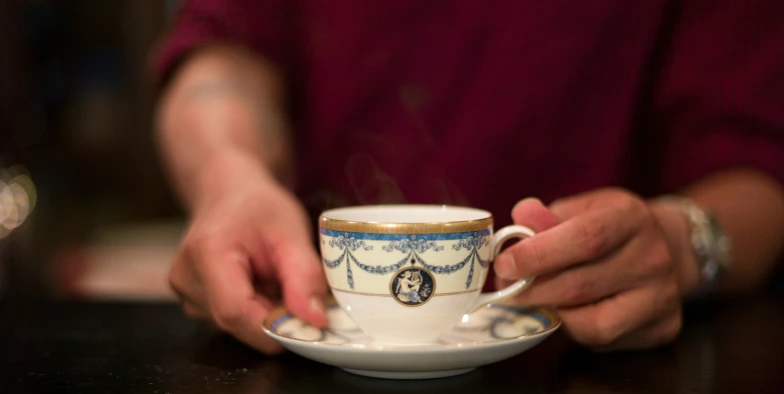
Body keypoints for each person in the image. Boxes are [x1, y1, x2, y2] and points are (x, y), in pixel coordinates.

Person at [152, 1, 784, 353]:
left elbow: (757, 166)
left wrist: (681, 243)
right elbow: (222, 58)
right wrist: (229, 174)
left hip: (591, 388)